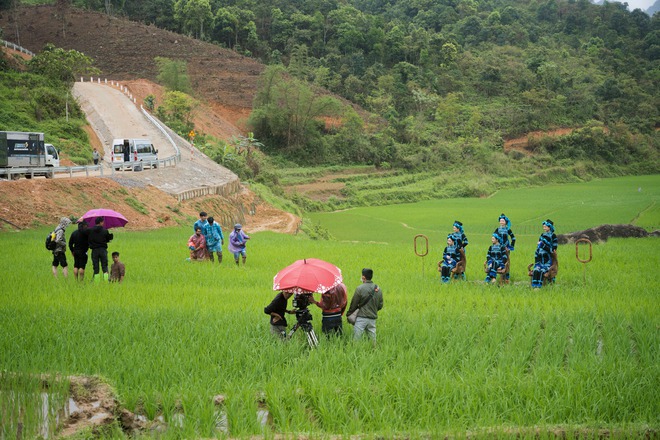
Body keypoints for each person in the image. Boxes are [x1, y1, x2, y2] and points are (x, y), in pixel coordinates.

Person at [346, 268, 383, 343]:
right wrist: (373, 309)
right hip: (372, 318)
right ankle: (374, 353)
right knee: (373, 341)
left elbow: (354, 304)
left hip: (361, 318)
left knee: (356, 340)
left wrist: (349, 313)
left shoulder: (360, 288)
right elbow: (380, 305)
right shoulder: (378, 289)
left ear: (363, 277)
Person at [531, 219, 558, 288]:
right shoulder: (542, 235)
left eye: (545, 226)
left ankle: (539, 286)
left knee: (542, 271)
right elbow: (539, 244)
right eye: (543, 226)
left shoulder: (553, 236)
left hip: (547, 261)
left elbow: (553, 249)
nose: (544, 228)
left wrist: (542, 245)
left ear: (550, 227)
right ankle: (534, 286)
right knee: (536, 270)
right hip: (540, 259)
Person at [88, 217, 114, 283]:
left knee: (96, 267)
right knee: (104, 266)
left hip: (94, 251)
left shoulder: (90, 230)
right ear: (100, 222)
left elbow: (89, 239)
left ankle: (96, 282)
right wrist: (110, 236)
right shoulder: (105, 230)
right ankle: (106, 282)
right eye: (103, 222)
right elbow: (108, 239)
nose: (103, 223)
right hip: (103, 250)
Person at [494, 214, 515, 281]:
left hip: (506, 248)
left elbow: (513, 238)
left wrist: (510, 247)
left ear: (505, 222)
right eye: (500, 221)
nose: (501, 222)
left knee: (506, 261)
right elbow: (494, 238)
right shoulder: (497, 229)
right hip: (499, 248)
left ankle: (506, 277)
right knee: (499, 260)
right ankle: (497, 275)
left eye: (503, 221)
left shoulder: (508, 230)